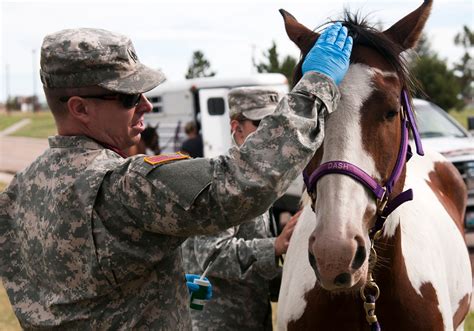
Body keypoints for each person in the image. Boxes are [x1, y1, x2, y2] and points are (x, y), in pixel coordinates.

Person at [0, 23, 352, 329]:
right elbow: (244, 182)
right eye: (127, 96)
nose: (146, 105)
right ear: (80, 108)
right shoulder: (123, 186)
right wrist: (314, 89)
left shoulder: (17, 194)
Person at [182, 87, 302, 330]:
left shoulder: (256, 182)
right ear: (237, 129)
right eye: (261, 124)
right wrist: (275, 245)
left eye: (275, 124)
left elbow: (256, 273)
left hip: (252, 319)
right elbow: (212, 257)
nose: (272, 133)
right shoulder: (219, 182)